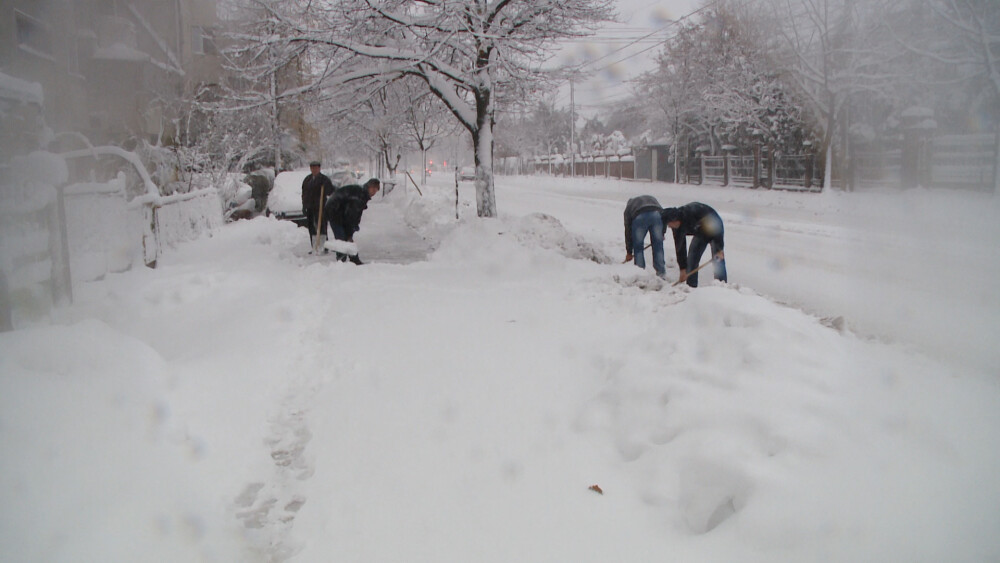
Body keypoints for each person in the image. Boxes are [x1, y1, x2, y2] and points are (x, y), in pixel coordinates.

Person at [661, 202, 727, 287]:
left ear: (675, 220)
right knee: (692, 258)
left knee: (717, 258)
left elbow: (716, 227)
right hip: (701, 231)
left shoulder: (691, 213)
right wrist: (683, 269)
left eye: (669, 224)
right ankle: (691, 287)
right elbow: (680, 247)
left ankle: (721, 286)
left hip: (713, 225)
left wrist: (719, 248)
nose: (669, 227)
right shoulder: (676, 227)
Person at [324, 178, 380, 264]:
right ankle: (341, 261)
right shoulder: (359, 196)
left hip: (339, 211)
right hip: (334, 211)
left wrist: (353, 227)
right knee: (342, 238)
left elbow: (355, 215)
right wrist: (350, 231)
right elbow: (350, 215)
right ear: (368, 187)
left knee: (347, 236)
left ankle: (353, 258)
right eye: (373, 189)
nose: (374, 193)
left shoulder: (361, 194)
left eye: (376, 190)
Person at [623, 195, 666, 278]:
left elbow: (628, 230)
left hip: (640, 216)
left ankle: (640, 272)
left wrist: (629, 252)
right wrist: (662, 233)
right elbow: (664, 215)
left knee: (638, 247)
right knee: (658, 246)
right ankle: (661, 273)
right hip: (656, 215)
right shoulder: (652, 198)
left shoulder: (629, 208)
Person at [301, 160, 335, 251]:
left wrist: (326, 186)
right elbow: (304, 194)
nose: (314, 170)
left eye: (316, 168)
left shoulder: (324, 179)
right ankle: (314, 246)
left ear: (319, 168)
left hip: (321, 207)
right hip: (310, 207)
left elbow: (331, 191)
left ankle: (323, 246)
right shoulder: (307, 180)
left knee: (322, 226)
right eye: (312, 168)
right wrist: (304, 206)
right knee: (311, 227)